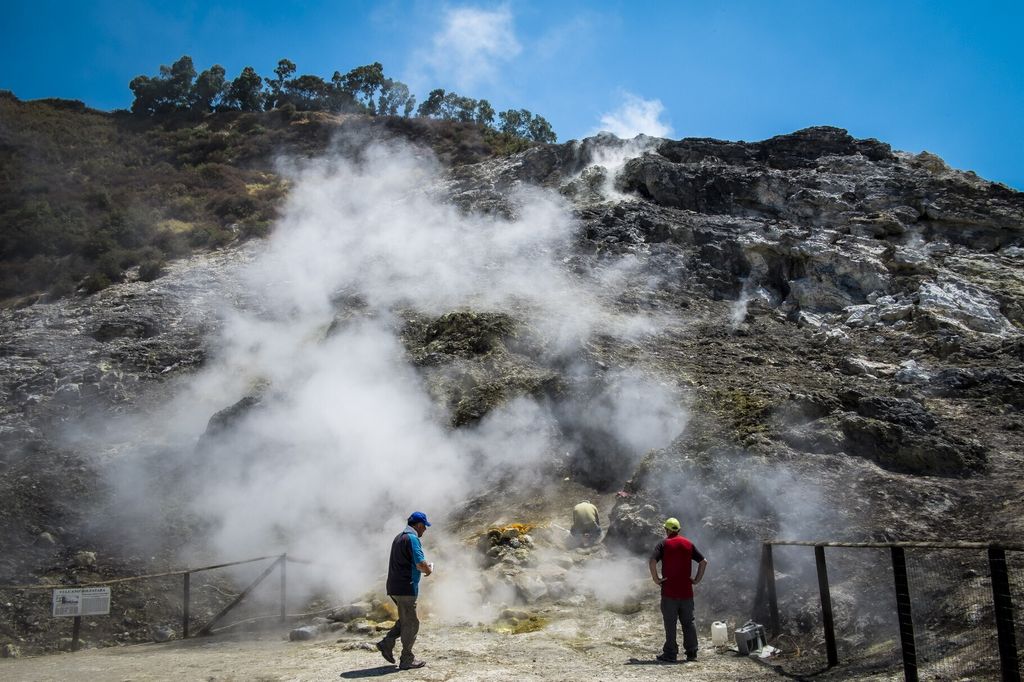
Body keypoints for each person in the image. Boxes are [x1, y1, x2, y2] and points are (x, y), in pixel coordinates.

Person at [377, 511, 433, 670]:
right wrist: (428, 570)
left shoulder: (398, 537)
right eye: (424, 526)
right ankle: (407, 659)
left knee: (405, 619)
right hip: (406, 587)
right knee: (412, 623)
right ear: (419, 525)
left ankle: (387, 643)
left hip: (394, 587)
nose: (425, 530)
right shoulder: (413, 539)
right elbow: (420, 562)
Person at [648, 517, 707, 663]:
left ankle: (670, 653)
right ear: (678, 530)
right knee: (688, 622)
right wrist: (697, 580)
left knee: (670, 624)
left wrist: (656, 579)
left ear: (667, 530)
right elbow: (703, 561)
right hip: (686, 593)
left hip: (669, 592)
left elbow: (652, 561)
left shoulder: (663, 544)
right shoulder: (688, 544)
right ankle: (692, 652)